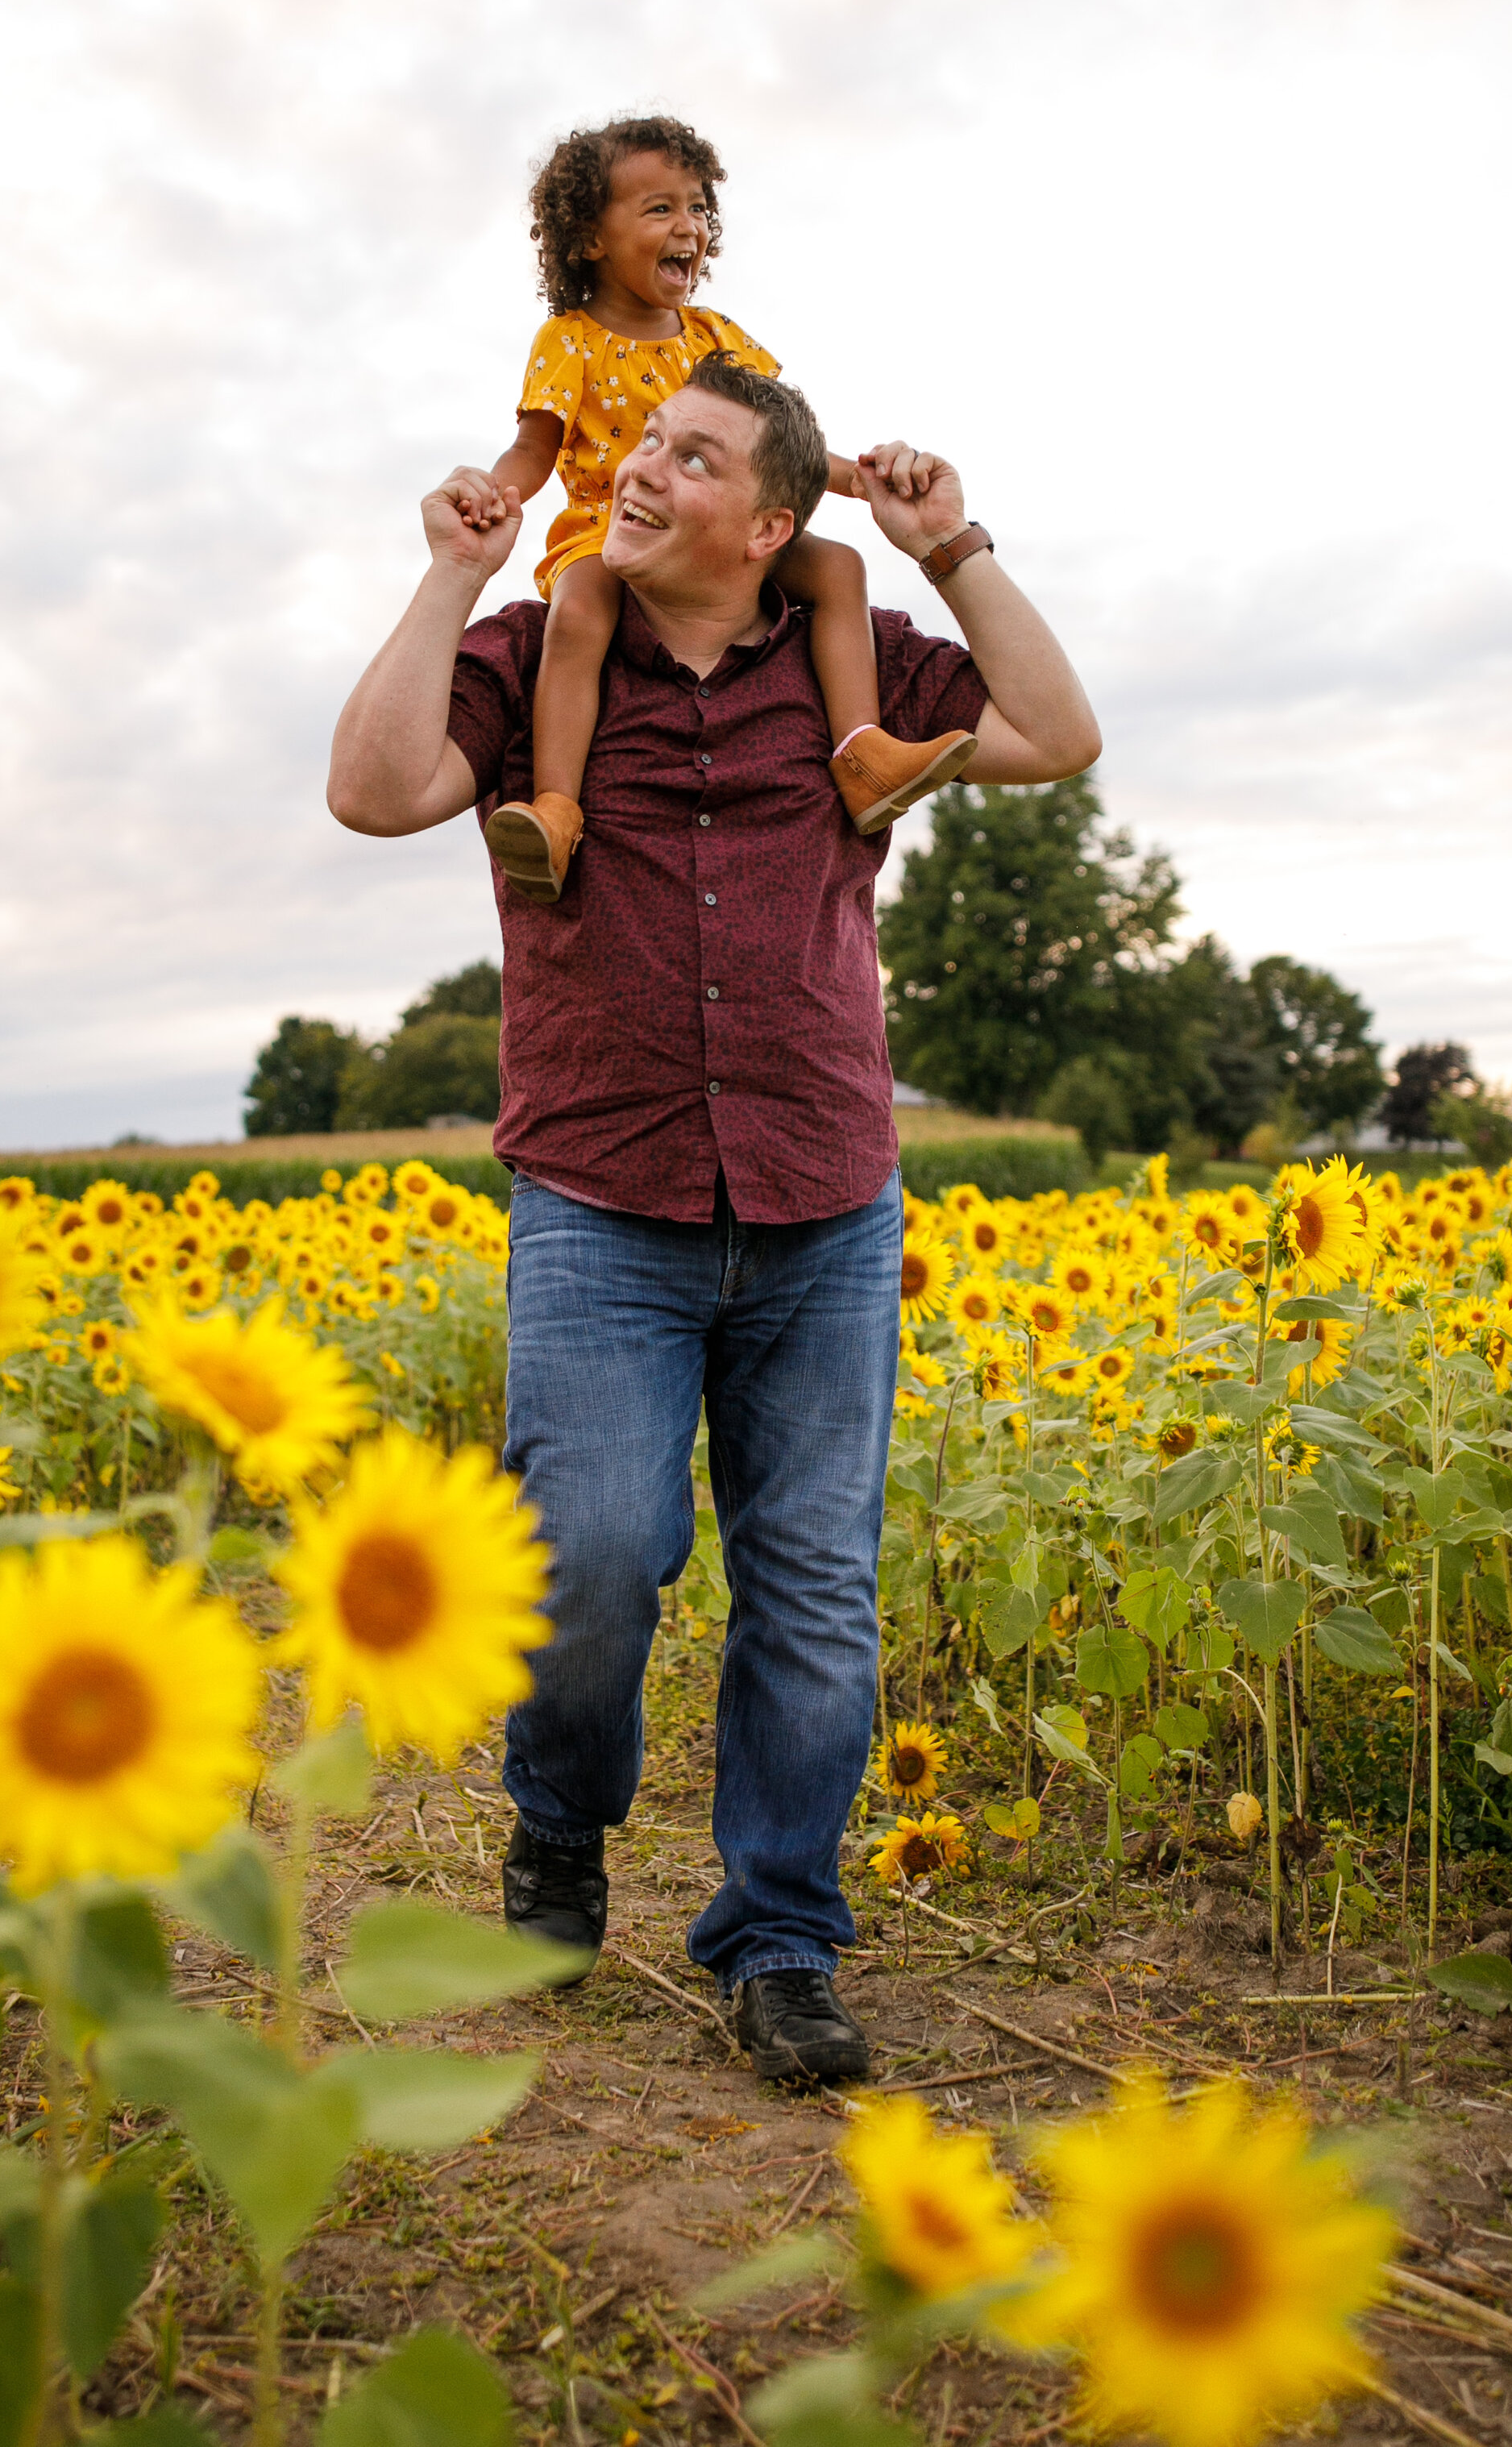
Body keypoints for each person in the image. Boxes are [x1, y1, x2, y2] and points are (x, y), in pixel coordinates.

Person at [327, 352, 1099, 2086]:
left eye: (689, 456)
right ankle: (558, 1828)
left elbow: (1055, 737)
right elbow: (373, 793)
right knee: (591, 1560)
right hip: (602, 1201)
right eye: (645, 444)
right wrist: (453, 565)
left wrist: (948, 544)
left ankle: (777, 1937)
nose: (645, 469)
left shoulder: (858, 669)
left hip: (824, 1205)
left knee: (811, 1587)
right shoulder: (535, 658)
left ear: (766, 522)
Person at [455, 114, 977, 904]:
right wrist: (498, 492)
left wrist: (861, 480)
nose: (689, 226)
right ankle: (558, 809)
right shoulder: (569, 339)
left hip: (720, 528)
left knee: (838, 565)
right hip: (609, 531)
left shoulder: (715, 337)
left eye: (698, 209)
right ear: (590, 237)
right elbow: (534, 447)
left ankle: (864, 756)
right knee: (582, 606)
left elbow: (779, 453)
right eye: (659, 208)